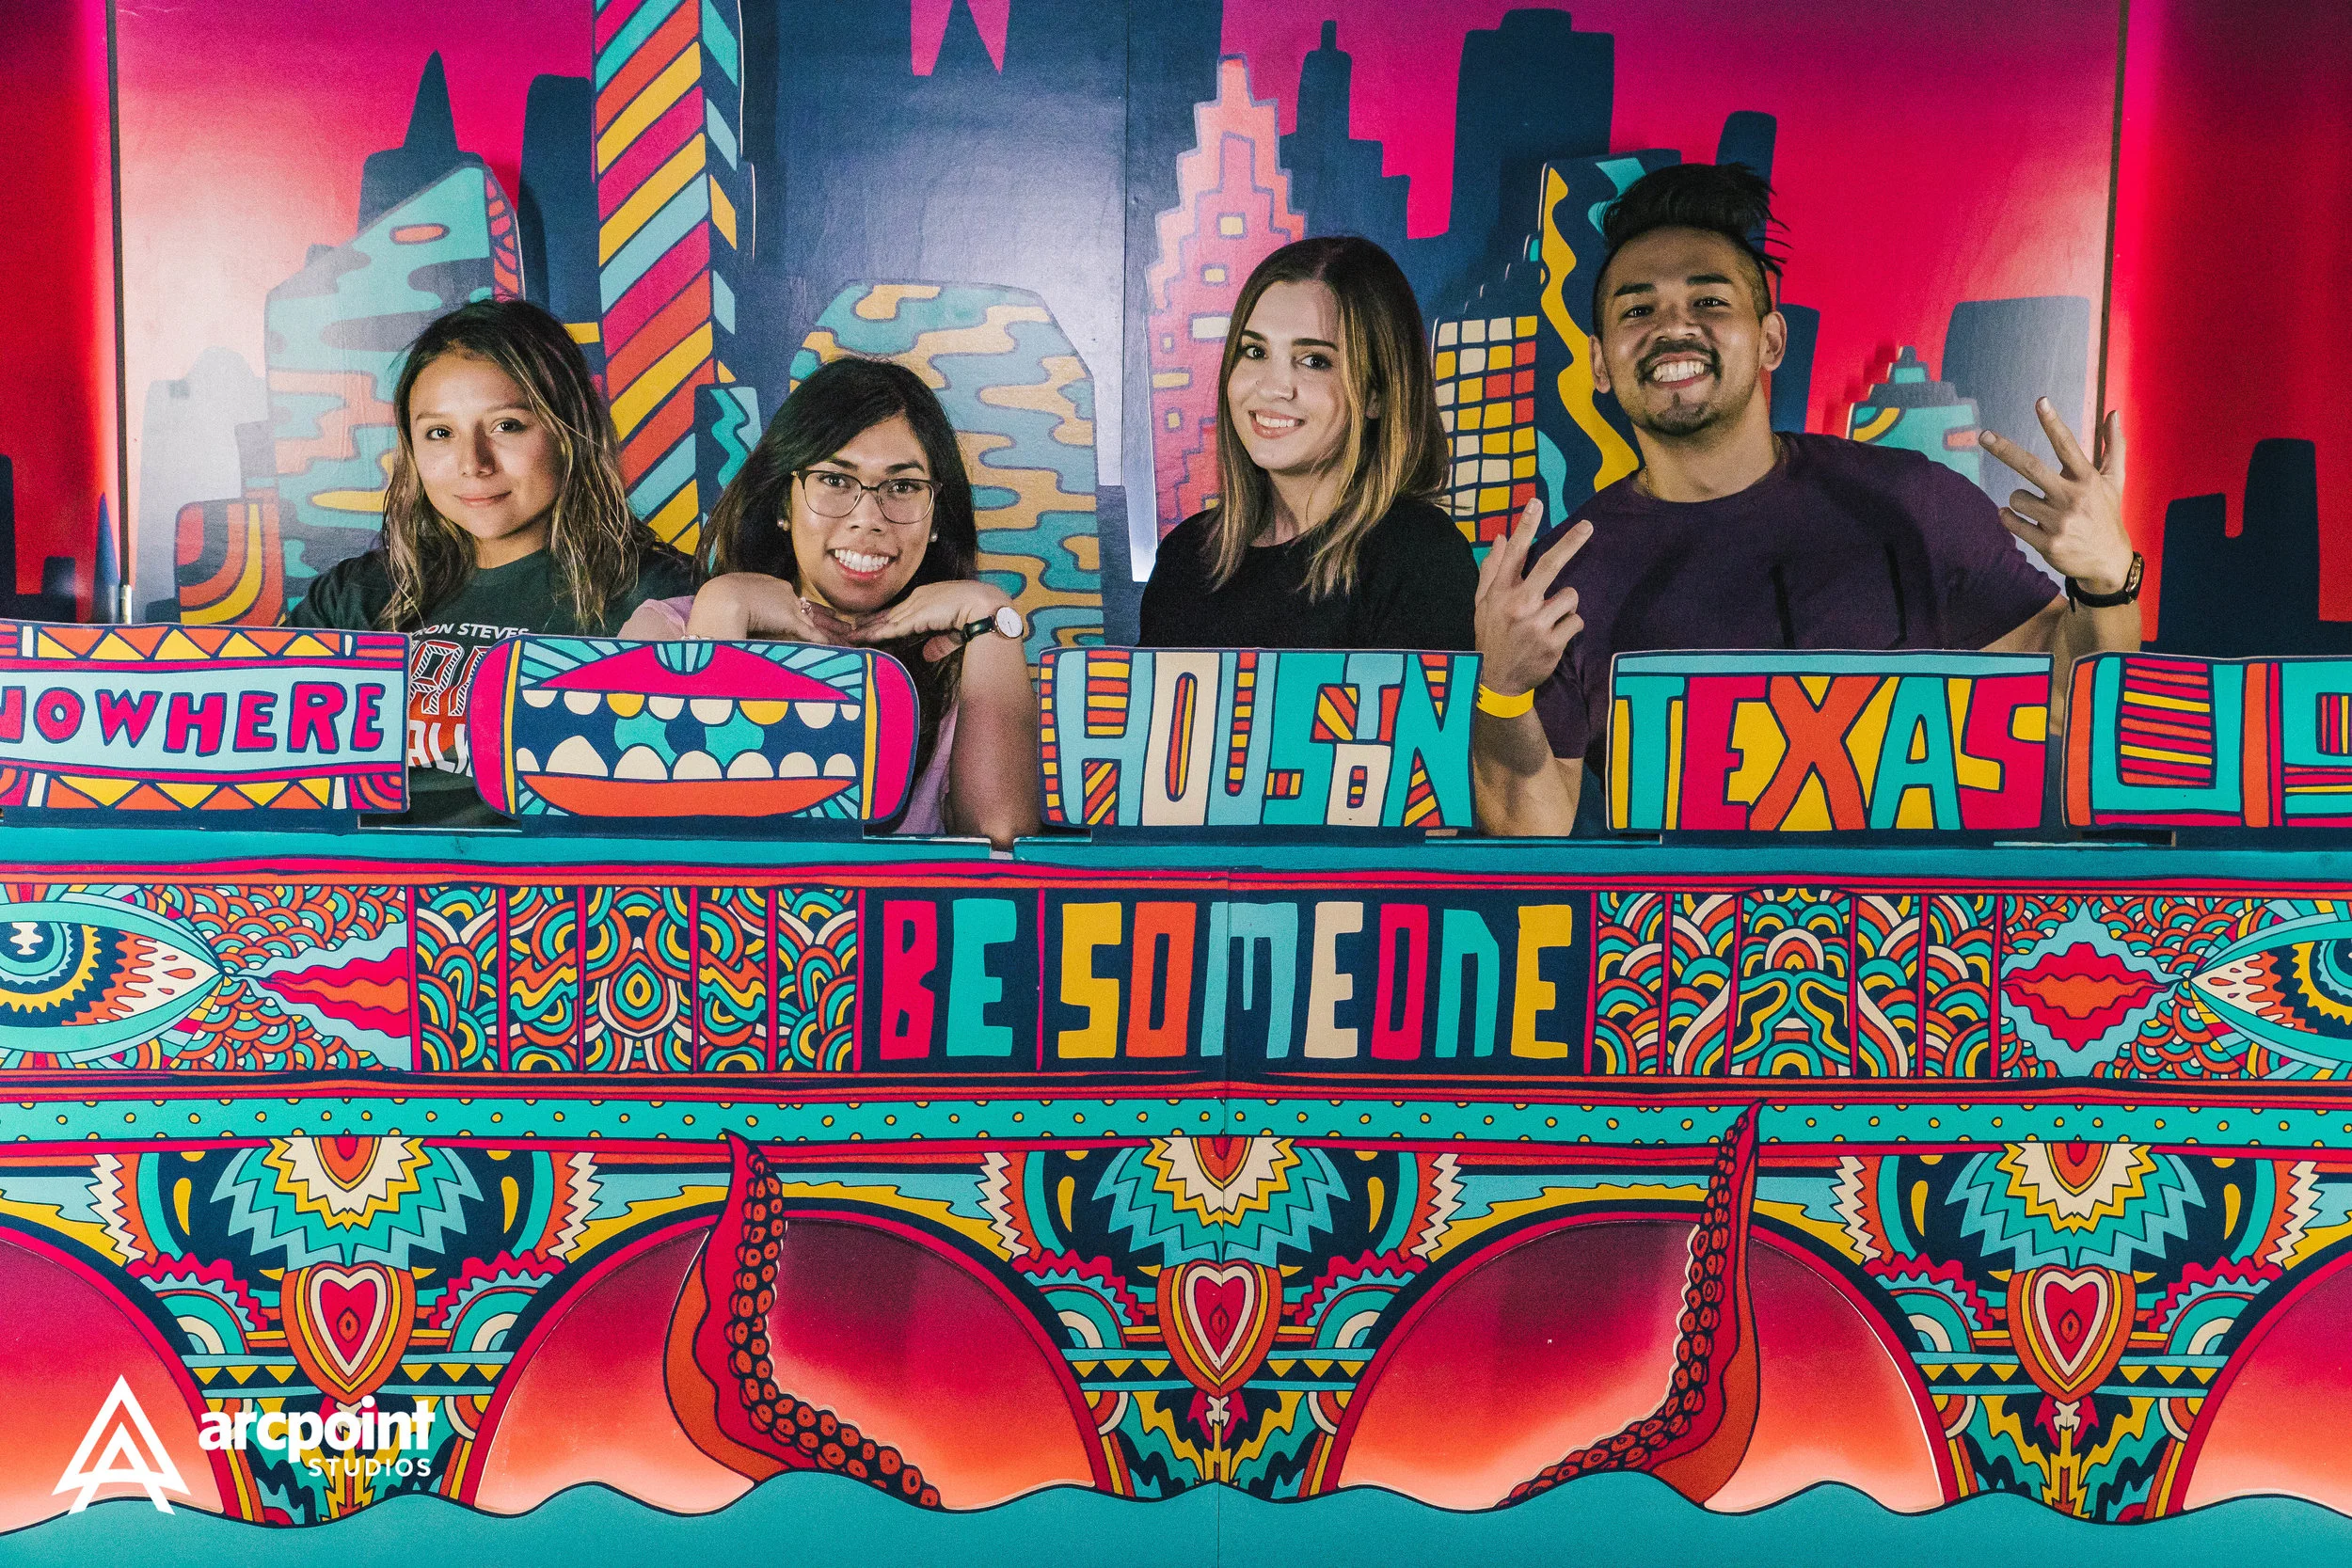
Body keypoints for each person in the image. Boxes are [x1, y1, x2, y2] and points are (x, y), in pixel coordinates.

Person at [1471, 164, 2140, 835]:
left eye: (1708, 302)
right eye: (1638, 310)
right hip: (1683, 941)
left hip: (1905, 937)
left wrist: (2109, 582)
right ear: (1597, 364)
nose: (1673, 328)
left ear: (1771, 339)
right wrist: (1501, 690)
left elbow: (2071, 701)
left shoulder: (1912, 503)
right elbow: (1527, 836)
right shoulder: (1564, 581)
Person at [284, 298, 693, 823]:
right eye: (440, 433)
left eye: (507, 426)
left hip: (553, 894)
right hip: (354, 894)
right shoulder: (353, 599)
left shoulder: (656, 600)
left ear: (570, 431)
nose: (472, 464)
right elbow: (271, 773)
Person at [622, 356, 1040, 849]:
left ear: (935, 517)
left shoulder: (961, 663)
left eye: (903, 487)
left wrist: (991, 618)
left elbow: (1003, 841)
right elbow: (667, 837)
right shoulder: (666, 631)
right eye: (835, 481)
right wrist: (724, 610)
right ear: (785, 500)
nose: (868, 520)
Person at [1139, 235, 1477, 651]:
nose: (1273, 388)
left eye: (1314, 361)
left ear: (1378, 393)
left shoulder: (1421, 558)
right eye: (1254, 352)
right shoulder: (1186, 556)